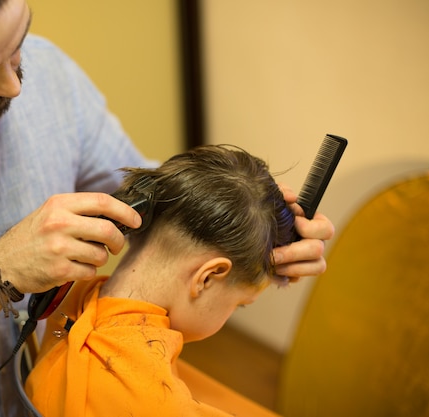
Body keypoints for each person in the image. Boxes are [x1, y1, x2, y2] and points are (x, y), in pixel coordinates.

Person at [0, 1, 334, 416]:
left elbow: (156, 205)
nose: (15, 85)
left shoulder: (51, 74)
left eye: (16, 43)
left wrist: (252, 230)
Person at [24, 144, 296, 416]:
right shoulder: (156, 403)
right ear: (208, 277)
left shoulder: (69, 297)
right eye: (240, 304)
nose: (232, 313)